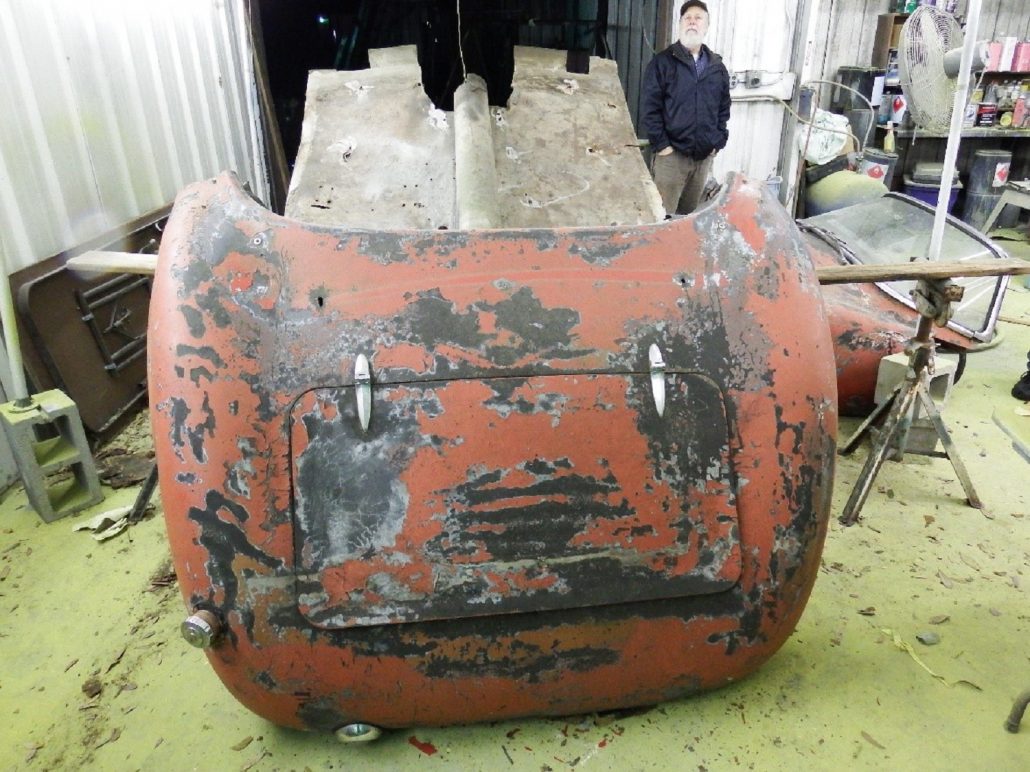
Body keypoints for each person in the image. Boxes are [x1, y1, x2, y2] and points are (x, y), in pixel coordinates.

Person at [641, 0, 731, 216]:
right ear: (680, 24)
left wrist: (717, 142)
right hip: (671, 159)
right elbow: (650, 109)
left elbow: (723, 109)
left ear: (706, 26)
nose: (692, 22)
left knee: (689, 219)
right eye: (687, 18)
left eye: (698, 18)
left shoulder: (717, 68)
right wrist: (663, 146)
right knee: (663, 219)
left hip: (702, 160)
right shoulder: (663, 63)